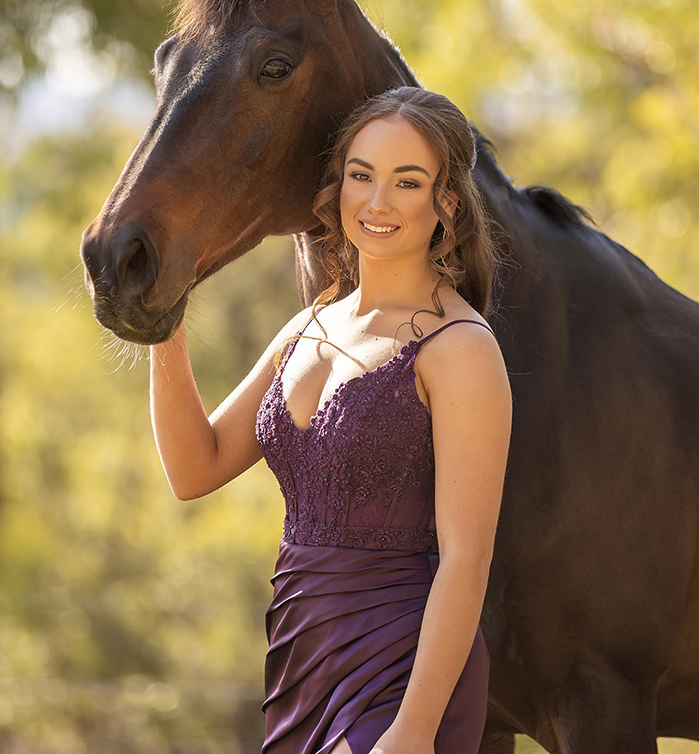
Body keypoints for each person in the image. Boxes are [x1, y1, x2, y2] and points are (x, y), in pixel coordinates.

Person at [148, 86, 512, 754]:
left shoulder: (461, 348)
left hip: (401, 675)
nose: (376, 202)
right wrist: (161, 320)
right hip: (300, 664)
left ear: (446, 204)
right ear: (338, 184)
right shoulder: (309, 324)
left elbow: (468, 555)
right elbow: (193, 466)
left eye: (407, 182)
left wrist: (415, 729)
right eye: (360, 175)